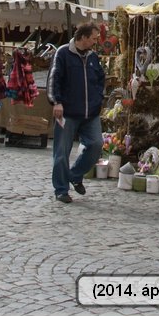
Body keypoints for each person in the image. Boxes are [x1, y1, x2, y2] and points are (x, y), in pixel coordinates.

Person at [48, 23, 106, 204]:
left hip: (91, 113)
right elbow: (54, 78)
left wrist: (99, 99)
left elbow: (100, 79)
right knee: (61, 152)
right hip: (67, 112)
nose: (96, 42)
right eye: (94, 38)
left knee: (96, 145)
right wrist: (56, 102)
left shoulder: (93, 57)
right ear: (84, 37)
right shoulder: (63, 53)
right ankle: (61, 189)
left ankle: (74, 175)